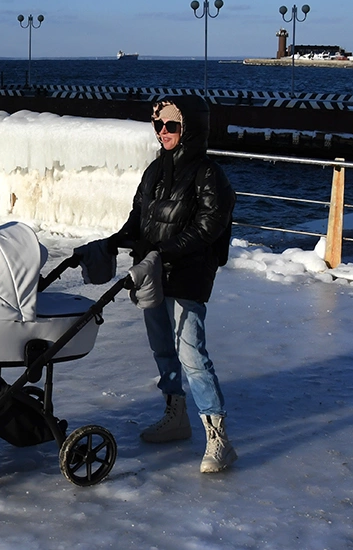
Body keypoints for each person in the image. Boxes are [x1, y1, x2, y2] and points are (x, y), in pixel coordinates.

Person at [77, 95, 237, 473]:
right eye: (159, 125)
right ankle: (176, 415)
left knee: (192, 356)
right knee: (163, 350)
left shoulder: (209, 175)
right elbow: (139, 222)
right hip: (152, 274)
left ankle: (219, 439)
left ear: (191, 128)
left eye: (173, 126)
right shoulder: (154, 170)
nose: (164, 132)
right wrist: (112, 242)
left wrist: (163, 253)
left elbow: (207, 228)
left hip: (188, 277)